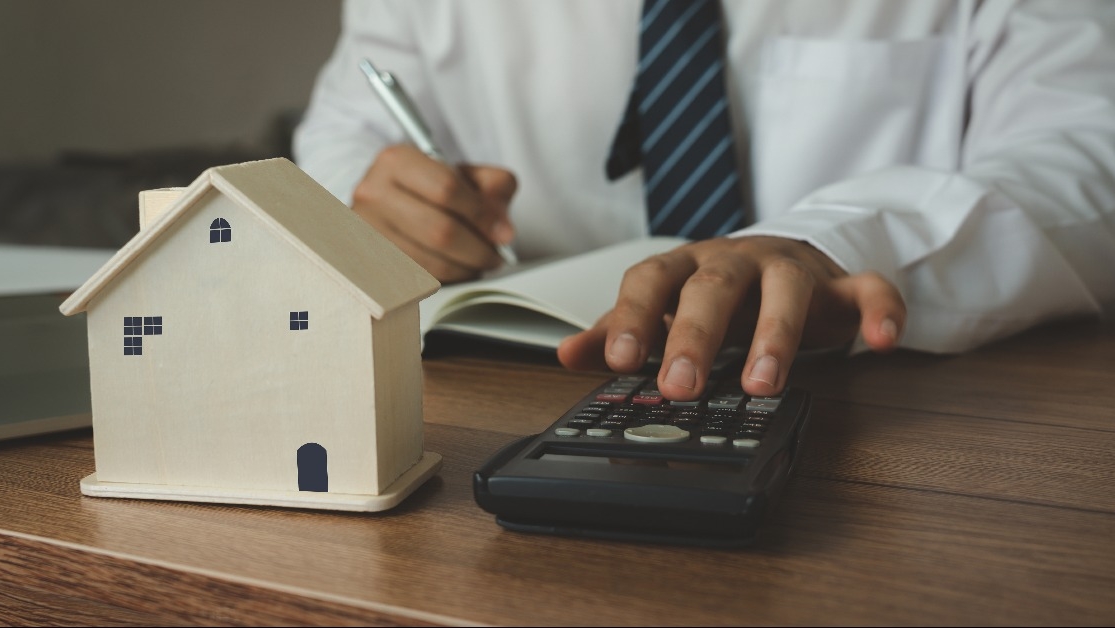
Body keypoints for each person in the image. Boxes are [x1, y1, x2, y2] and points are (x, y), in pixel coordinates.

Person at [293, 0, 1115, 400]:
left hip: (888, 410)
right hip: (520, 388)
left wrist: (840, 240)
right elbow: (341, 138)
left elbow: (1087, 146)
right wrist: (366, 206)